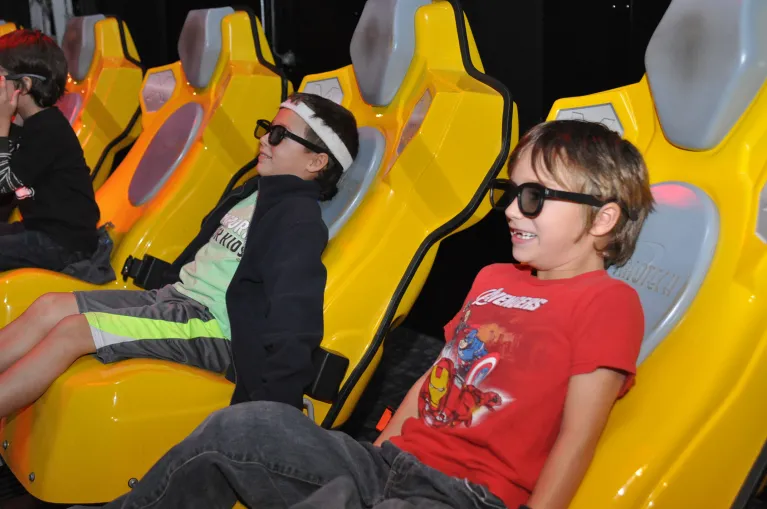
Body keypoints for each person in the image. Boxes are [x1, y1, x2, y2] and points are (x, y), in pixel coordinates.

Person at [83, 119, 655, 509]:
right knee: (246, 424)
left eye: (533, 198)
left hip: (464, 495)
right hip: (395, 466)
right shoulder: (493, 278)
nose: (510, 210)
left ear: (602, 220)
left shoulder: (608, 302)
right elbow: (438, 376)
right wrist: (373, 461)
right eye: (511, 193)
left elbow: (578, 437)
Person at [0, 92, 359, 417]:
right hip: (175, 301)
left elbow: (296, 316)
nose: (265, 139)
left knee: (72, 331)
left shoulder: (299, 221)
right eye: (267, 129)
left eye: (279, 135)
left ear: (316, 162)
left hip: (211, 329)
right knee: (49, 305)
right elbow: (200, 257)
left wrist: (277, 407)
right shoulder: (252, 193)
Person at [0, 29, 101, 271]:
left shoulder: (49, 129)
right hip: (40, 230)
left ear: (23, 85)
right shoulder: (28, 124)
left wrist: (2, 122)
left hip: (65, 244)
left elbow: (4, 183)